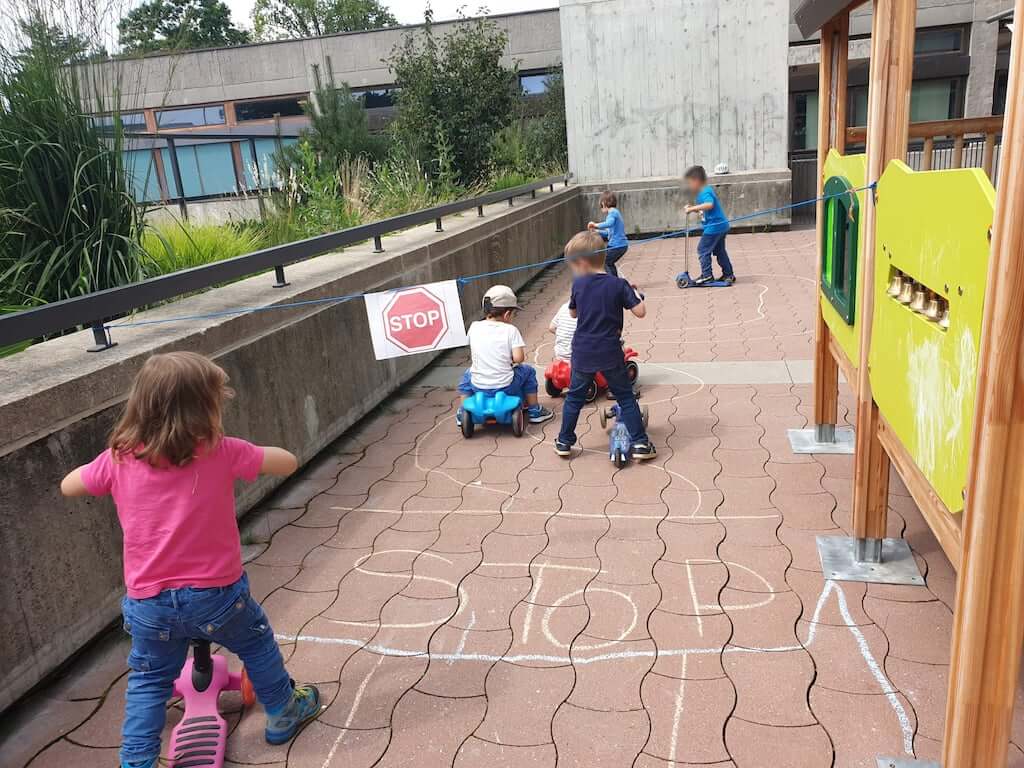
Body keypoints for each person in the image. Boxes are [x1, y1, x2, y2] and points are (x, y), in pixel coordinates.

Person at [59, 352, 321, 768]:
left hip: (150, 604)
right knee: (255, 643)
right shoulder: (221, 451)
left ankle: (137, 761)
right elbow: (286, 462)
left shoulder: (119, 459)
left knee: (147, 681)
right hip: (216, 596)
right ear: (205, 409)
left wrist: (104, 473)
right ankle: (283, 710)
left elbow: (69, 486)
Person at [554, 231, 656, 460]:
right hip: (609, 351)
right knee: (625, 397)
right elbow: (640, 312)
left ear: (581, 262)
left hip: (582, 351)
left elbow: (572, 313)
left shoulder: (578, 285)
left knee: (574, 399)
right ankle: (640, 444)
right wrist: (635, 294)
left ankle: (564, 441)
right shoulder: (618, 285)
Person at [457, 285, 555, 425]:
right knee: (528, 371)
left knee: (467, 376)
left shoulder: (474, 326)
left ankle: (463, 412)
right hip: (505, 385)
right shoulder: (511, 330)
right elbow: (518, 359)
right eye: (513, 314)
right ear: (507, 314)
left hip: (477, 385)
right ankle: (535, 410)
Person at [683, 165, 736, 285]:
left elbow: (709, 204)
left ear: (697, 181)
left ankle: (707, 275)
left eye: (690, 182)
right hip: (719, 226)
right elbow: (704, 209)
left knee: (702, 249)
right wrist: (692, 208)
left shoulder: (704, 191)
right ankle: (728, 274)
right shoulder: (702, 192)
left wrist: (694, 208)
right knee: (719, 251)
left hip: (714, 227)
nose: (689, 185)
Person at [587, 190, 630, 278]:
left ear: (604, 203)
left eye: (601, 205)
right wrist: (597, 232)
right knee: (608, 262)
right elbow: (608, 233)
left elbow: (609, 223)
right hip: (617, 245)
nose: (601, 208)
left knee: (605, 261)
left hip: (618, 245)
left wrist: (595, 225)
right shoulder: (613, 214)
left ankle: (612, 281)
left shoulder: (612, 212)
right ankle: (614, 280)